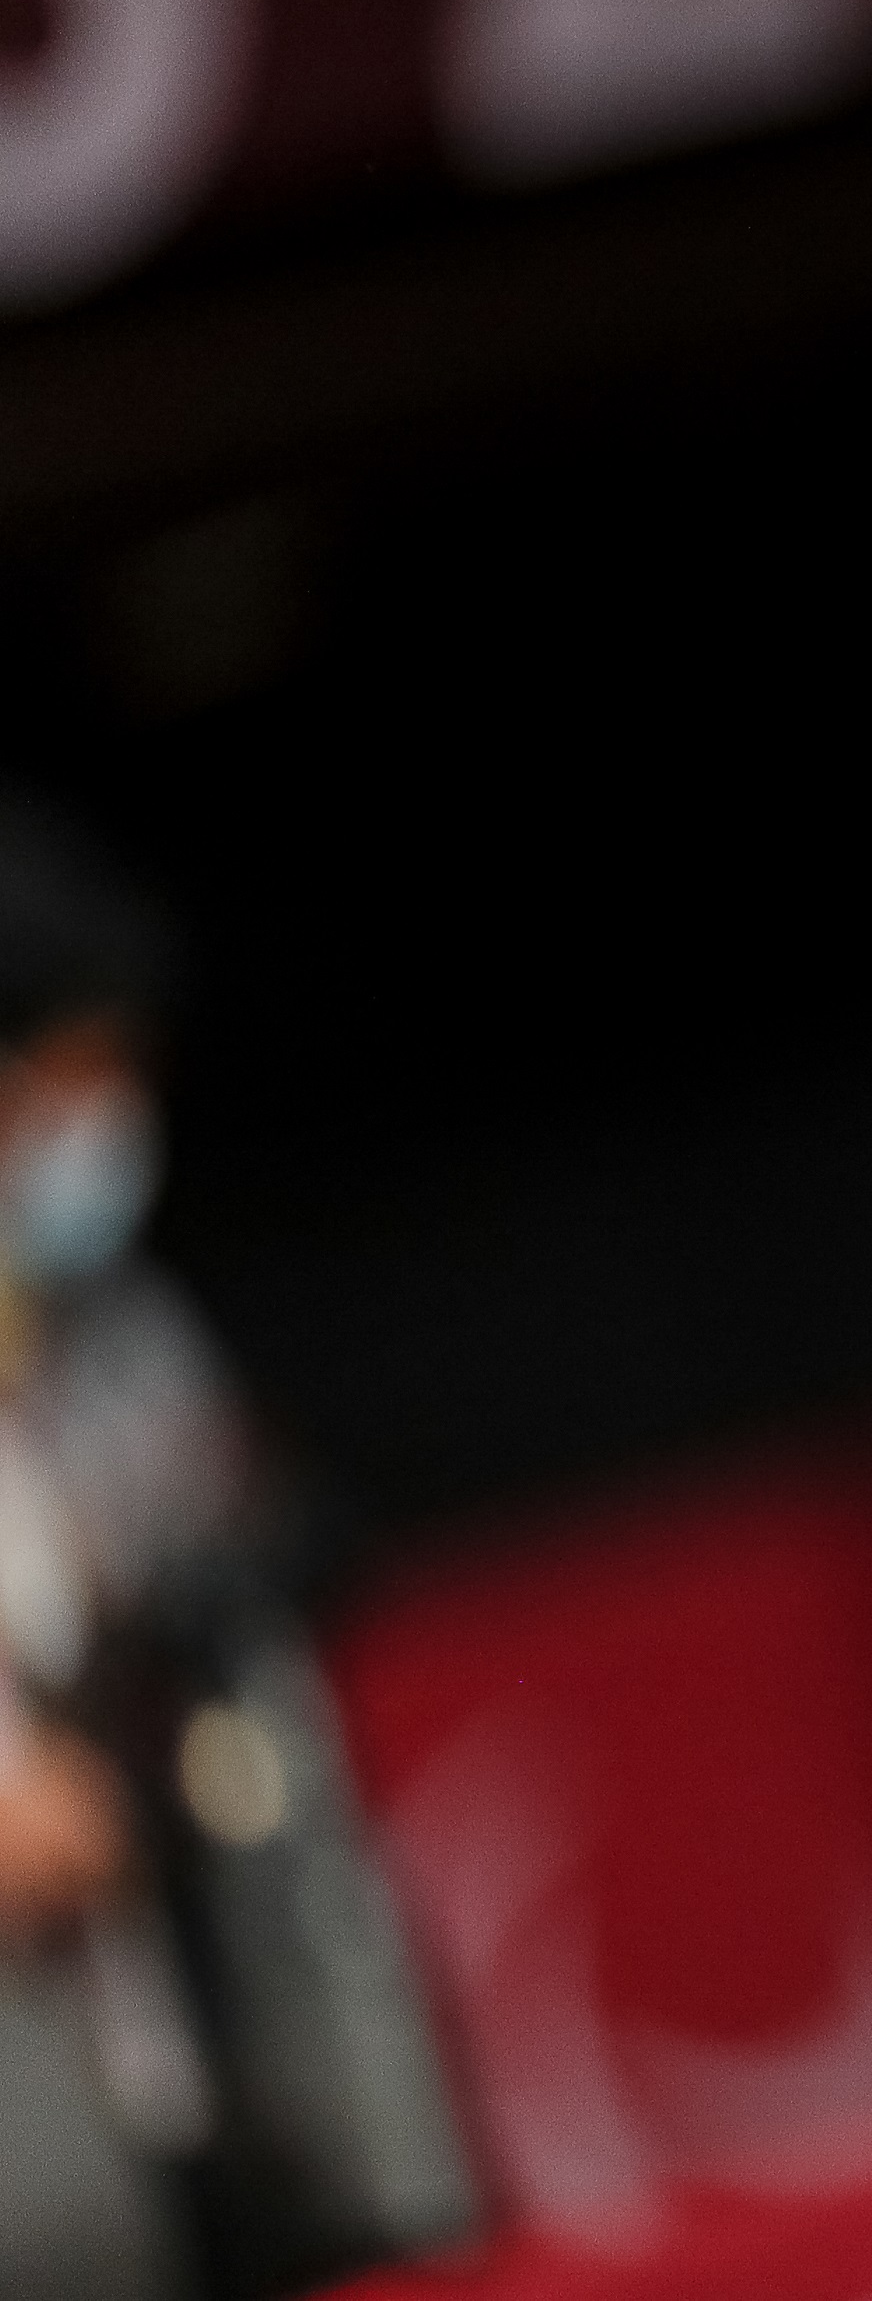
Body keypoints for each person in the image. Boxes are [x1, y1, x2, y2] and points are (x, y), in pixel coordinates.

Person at [0, 799, 468, 2300]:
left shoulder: (116, 1335)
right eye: (71, 1078)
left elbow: (243, 1531)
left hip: (200, 2021)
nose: (104, 1119)